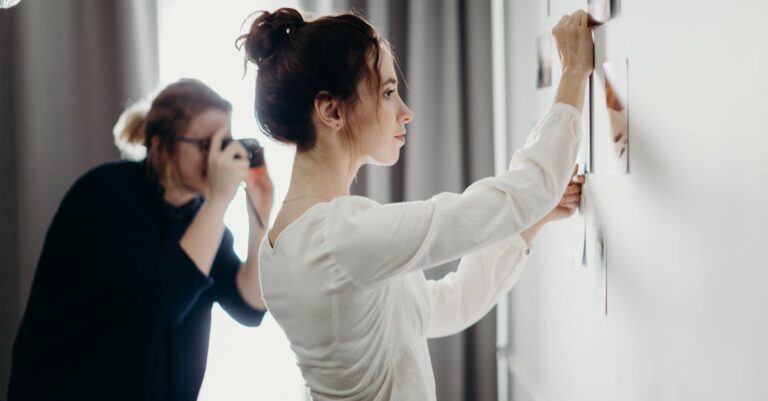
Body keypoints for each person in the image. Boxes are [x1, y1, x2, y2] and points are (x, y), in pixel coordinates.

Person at [242, 7, 592, 401]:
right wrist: (574, 74)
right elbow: (524, 191)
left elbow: (450, 303)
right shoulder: (340, 237)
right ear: (332, 111)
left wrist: (532, 220)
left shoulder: (283, 249)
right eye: (388, 93)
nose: (406, 113)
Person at [8, 78, 273, 401]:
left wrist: (259, 218)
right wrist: (218, 202)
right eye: (207, 145)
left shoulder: (199, 216)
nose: (220, 160)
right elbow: (164, 300)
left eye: (225, 144)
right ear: (161, 144)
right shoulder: (105, 197)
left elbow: (249, 307)